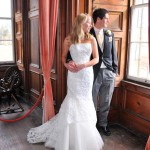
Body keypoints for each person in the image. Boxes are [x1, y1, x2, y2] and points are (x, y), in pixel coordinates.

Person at [27, 13, 104, 150]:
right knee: (73, 100)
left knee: (85, 101)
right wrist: (67, 64)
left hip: (86, 74)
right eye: (88, 23)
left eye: (91, 23)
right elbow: (63, 57)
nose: (90, 25)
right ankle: (67, 137)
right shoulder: (68, 39)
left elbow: (97, 59)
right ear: (80, 23)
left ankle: (85, 137)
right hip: (73, 75)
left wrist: (84, 65)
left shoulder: (91, 38)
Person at [67, 8, 118, 136]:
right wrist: (69, 61)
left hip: (108, 72)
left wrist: (114, 70)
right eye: (106, 18)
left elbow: (114, 53)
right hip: (91, 73)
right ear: (98, 19)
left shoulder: (109, 34)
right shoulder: (86, 32)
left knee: (106, 101)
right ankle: (91, 126)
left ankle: (103, 124)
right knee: (91, 101)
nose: (108, 20)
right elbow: (71, 52)